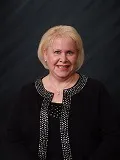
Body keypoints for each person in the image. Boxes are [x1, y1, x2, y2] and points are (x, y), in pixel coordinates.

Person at [1, 25, 120, 160]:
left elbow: (114, 137)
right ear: (45, 54)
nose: (63, 59)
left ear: (78, 55)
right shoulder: (28, 93)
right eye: (57, 52)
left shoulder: (96, 90)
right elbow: (12, 139)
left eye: (70, 52)